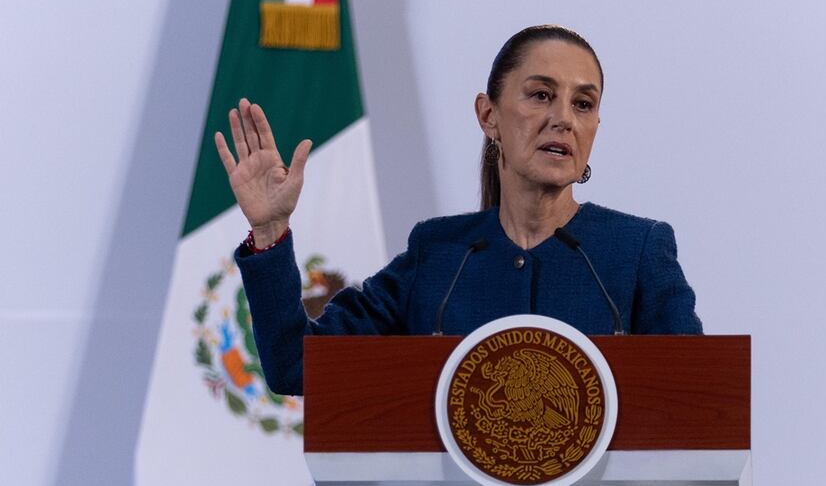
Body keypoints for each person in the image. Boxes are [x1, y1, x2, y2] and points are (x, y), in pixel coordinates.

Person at [215, 25, 702, 396]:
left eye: (583, 104)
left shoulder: (636, 251)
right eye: (541, 95)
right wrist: (270, 230)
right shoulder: (438, 255)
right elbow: (295, 365)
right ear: (488, 115)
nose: (563, 119)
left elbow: (694, 399)